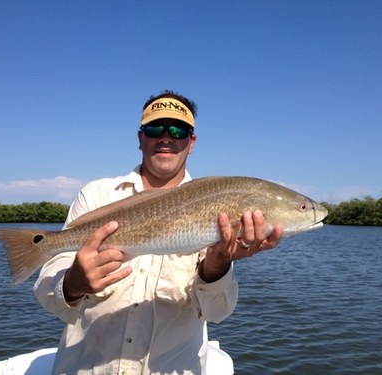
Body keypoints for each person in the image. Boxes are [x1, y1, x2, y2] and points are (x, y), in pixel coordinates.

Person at [34, 90, 283, 374]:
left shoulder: (219, 208)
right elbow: (47, 297)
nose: (166, 138)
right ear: (141, 138)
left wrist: (217, 266)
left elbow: (216, 314)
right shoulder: (97, 195)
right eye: (155, 128)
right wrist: (74, 282)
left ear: (192, 142)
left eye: (178, 130)